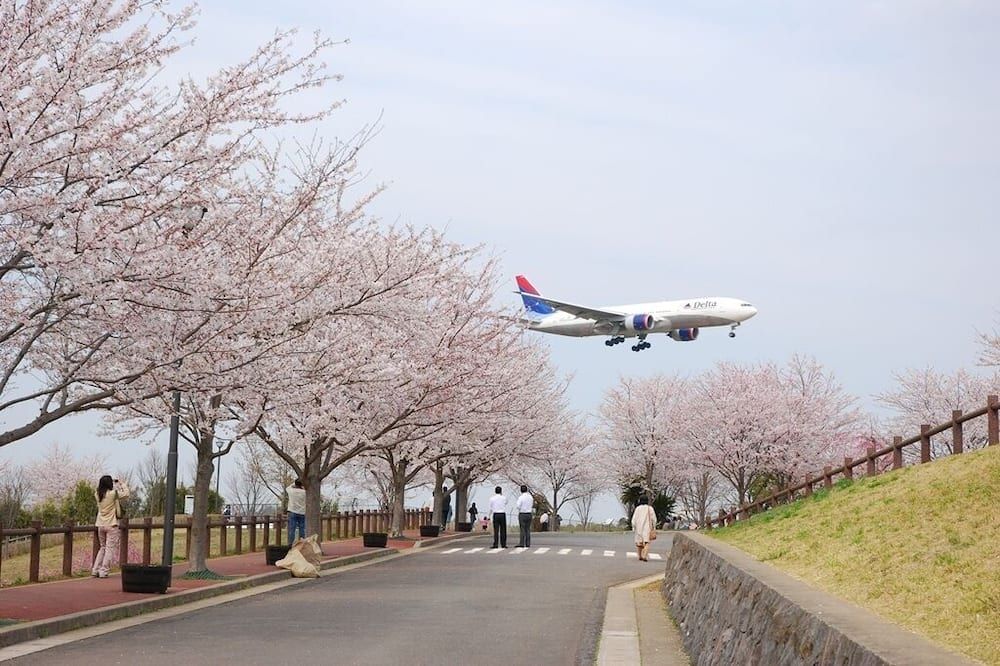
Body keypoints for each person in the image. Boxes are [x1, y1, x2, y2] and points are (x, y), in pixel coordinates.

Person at [92, 475, 129, 578]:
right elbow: (126, 494)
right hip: (111, 524)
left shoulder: (97, 494)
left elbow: (100, 489)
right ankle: (104, 570)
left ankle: (95, 569)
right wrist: (121, 483)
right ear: (110, 484)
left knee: (102, 548)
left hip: (100, 524)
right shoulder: (113, 494)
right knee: (109, 549)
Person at [630, 496, 657, 562]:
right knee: (646, 542)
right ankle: (644, 556)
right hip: (647, 528)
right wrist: (654, 526)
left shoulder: (637, 509)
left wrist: (633, 526)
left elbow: (633, 519)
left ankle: (640, 556)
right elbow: (654, 518)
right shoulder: (650, 508)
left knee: (639, 543)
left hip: (638, 528)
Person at [286, 479, 306, 544]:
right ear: (302, 484)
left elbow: (288, 487)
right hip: (302, 512)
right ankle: (301, 543)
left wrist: (294, 484)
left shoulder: (291, 491)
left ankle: (290, 544)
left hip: (292, 511)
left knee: (292, 529)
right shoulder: (305, 492)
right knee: (302, 529)